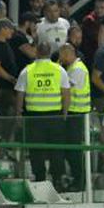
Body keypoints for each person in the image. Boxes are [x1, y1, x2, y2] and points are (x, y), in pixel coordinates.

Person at [14, 41, 71, 184]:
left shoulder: (27, 70)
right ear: (50, 52)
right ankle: (57, 177)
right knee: (56, 148)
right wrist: (64, 112)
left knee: (36, 149)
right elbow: (66, 93)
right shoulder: (59, 70)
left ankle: (39, 177)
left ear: (37, 52)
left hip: (34, 117)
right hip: (54, 115)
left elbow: (20, 94)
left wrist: (18, 113)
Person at [58, 43, 92, 191]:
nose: (60, 58)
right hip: (74, 113)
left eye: (62, 55)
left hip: (76, 113)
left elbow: (65, 89)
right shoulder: (72, 68)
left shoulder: (77, 69)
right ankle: (77, 178)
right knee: (70, 149)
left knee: (74, 150)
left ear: (68, 53)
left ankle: (80, 180)